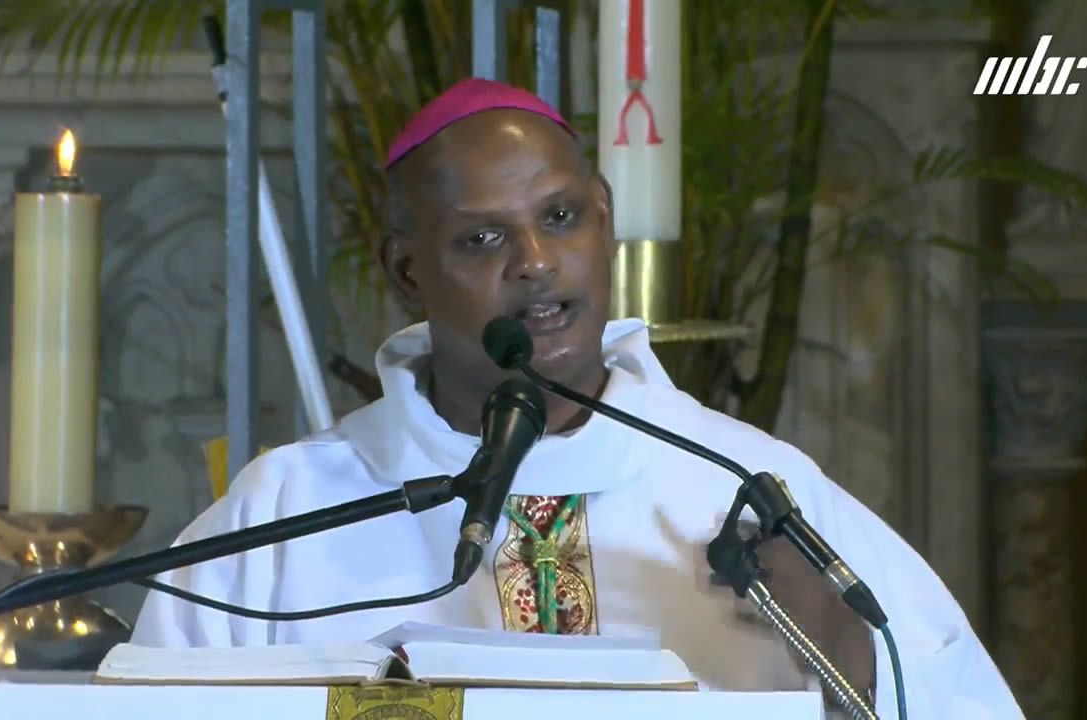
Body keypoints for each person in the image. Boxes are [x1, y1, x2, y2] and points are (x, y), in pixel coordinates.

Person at [132, 78, 1021, 718]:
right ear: (407, 272)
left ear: (604, 218)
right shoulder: (290, 510)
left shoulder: (749, 487)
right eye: (482, 240)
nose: (535, 263)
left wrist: (849, 662)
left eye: (560, 218)